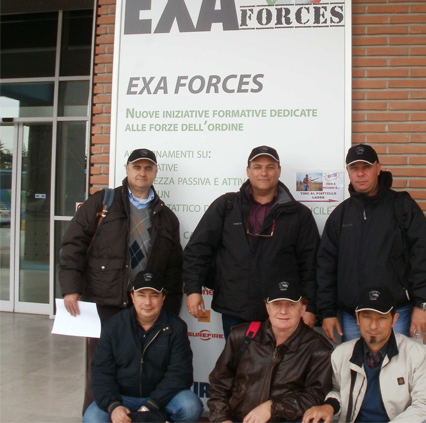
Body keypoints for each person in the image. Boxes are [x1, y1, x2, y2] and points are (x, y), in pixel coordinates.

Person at [59, 148, 183, 411]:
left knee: (140, 367)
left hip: (146, 306)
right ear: (127, 170)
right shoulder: (102, 203)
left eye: (148, 168)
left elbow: (174, 269)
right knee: (100, 365)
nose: (142, 173)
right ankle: (97, 415)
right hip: (105, 301)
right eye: (137, 167)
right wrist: (71, 289)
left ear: (155, 173)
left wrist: (170, 310)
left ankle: (137, 414)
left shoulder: (167, 217)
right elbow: (73, 245)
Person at [183, 145, 320, 338]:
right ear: (248, 171)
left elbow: (311, 264)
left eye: (270, 167)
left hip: (282, 309)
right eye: (257, 167)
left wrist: (310, 306)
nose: (264, 172)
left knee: (281, 359)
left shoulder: (299, 214)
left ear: (279, 171)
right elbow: (198, 250)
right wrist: (193, 289)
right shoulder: (227, 206)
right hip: (235, 308)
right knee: (237, 359)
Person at [316, 144, 426, 343]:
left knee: (399, 364)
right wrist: (327, 312)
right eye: (354, 168)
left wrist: (423, 305)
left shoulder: (402, 207)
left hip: (397, 315)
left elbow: (425, 255)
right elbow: (326, 267)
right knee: (354, 364)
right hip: (353, 318)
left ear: (378, 168)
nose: (360, 174)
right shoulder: (340, 216)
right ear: (348, 171)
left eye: (366, 167)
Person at [303, 287, 426, 423]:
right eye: (367, 317)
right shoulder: (341, 354)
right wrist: (329, 407)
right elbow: (338, 391)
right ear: (358, 319)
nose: (373, 326)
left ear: (394, 320)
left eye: (382, 318)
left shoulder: (417, 354)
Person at [83, 271, 203, 423]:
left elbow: (180, 373)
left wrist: (151, 405)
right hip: (122, 397)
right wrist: (114, 406)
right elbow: (101, 372)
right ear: (132, 297)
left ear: (163, 298)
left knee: (190, 407)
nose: (147, 302)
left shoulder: (176, 327)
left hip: (162, 398)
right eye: (141, 295)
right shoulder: (113, 326)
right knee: (92, 418)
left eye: (154, 295)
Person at [208, 279, 333, 423]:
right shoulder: (242, 336)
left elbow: (315, 397)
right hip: (239, 419)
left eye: (291, 305)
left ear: (303, 309)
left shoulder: (318, 348)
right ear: (267, 308)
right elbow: (219, 383)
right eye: (276, 304)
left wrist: (273, 407)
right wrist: (222, 419)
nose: (283, 311)